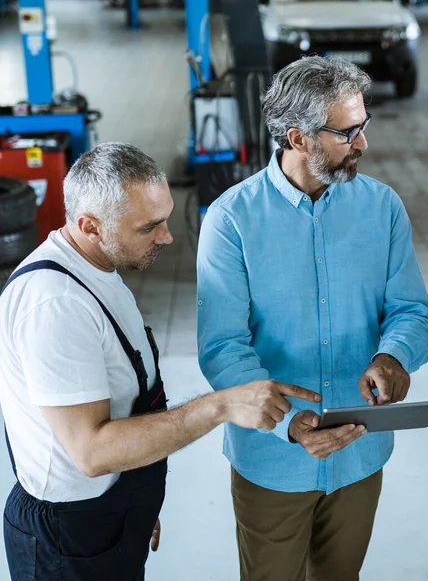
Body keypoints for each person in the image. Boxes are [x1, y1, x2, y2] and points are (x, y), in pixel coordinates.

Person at [0, 143, 320, 581]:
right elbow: (92, 453)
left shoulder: (96, 268)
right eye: (149, 227)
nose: (168, 237)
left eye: (165, 218)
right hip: (68, 541)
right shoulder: (56, 304)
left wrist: (133, 504)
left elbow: (120, 399)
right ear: (90, 226)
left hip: (107, 515)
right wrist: (219, 405)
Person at [197, 57, 428, 581]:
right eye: (346, 132)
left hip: (359, 451)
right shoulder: (230, 220)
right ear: (297, 138)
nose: (362, 144)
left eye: (363, 126)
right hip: (273, 461)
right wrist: (288, 423)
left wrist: (393, 355)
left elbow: (411, 309)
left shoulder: (382, 208)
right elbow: (223, 347)